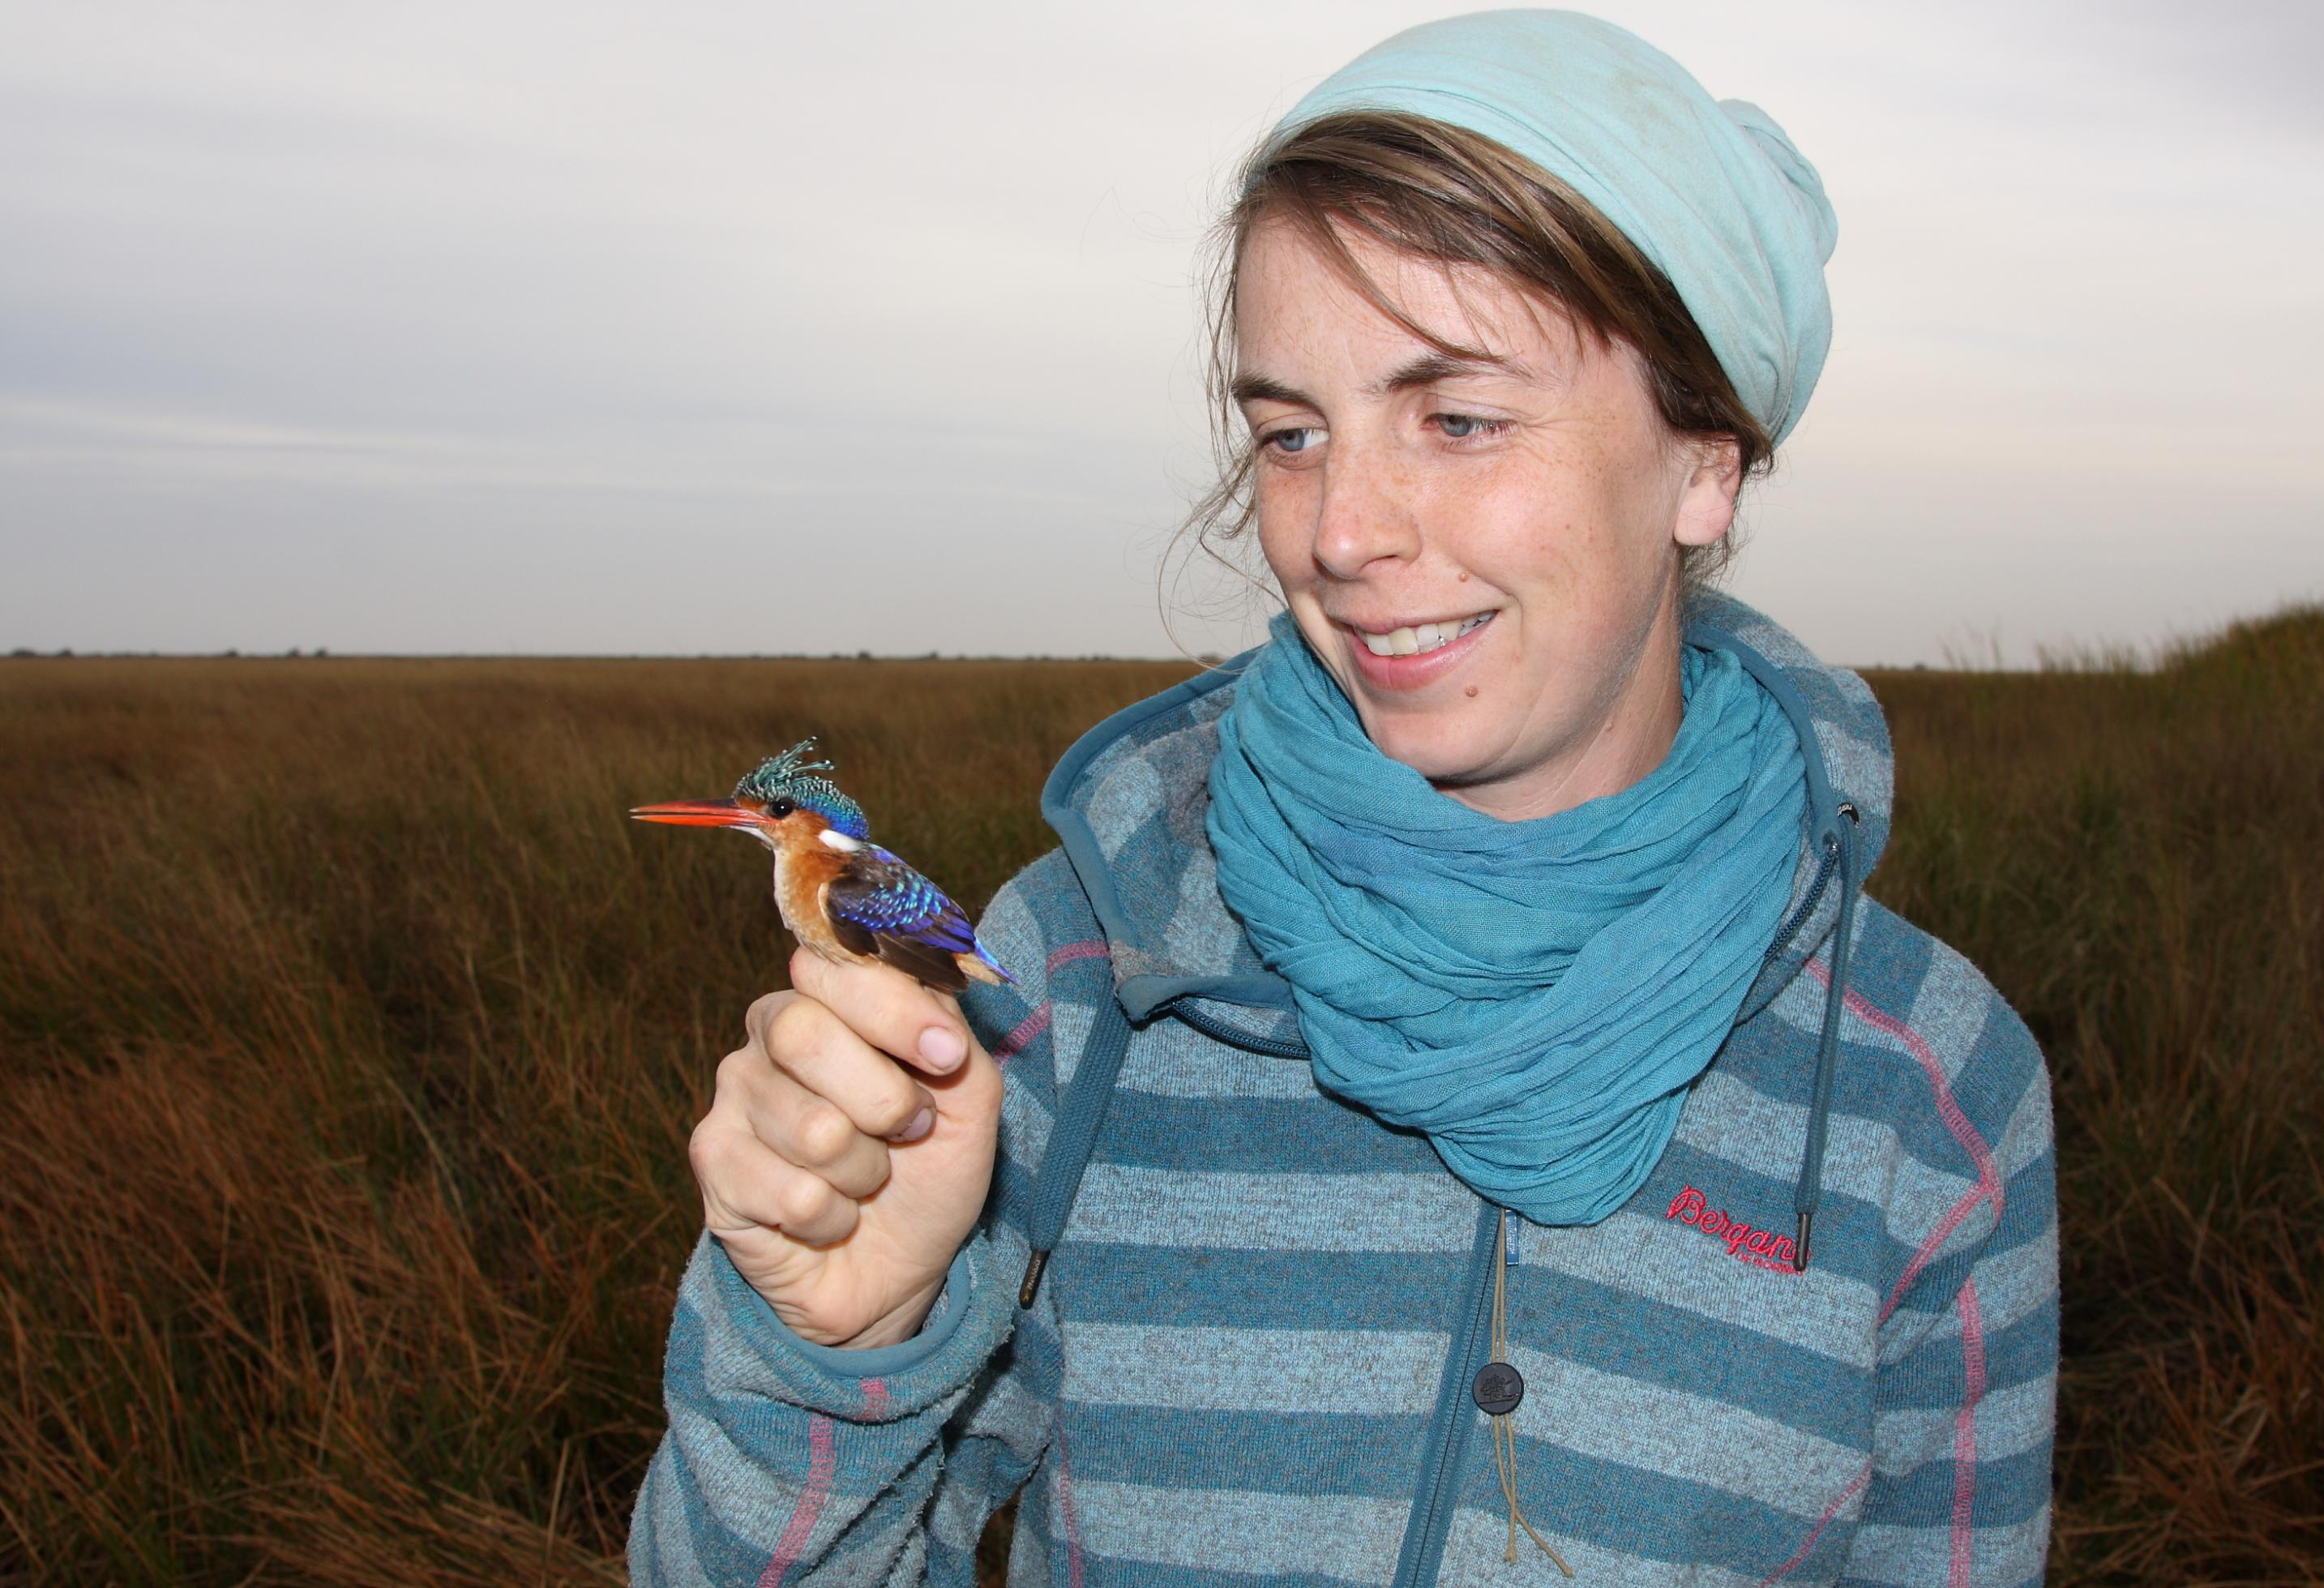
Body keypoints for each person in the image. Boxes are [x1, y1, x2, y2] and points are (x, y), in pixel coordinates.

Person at [630, 11, 2057, 1585]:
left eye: (1457, 415)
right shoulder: (1076, 981)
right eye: (1291, 430)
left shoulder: (1927, 1097)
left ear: (1705, 459)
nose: (1340, 529)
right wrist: (826, 1350)